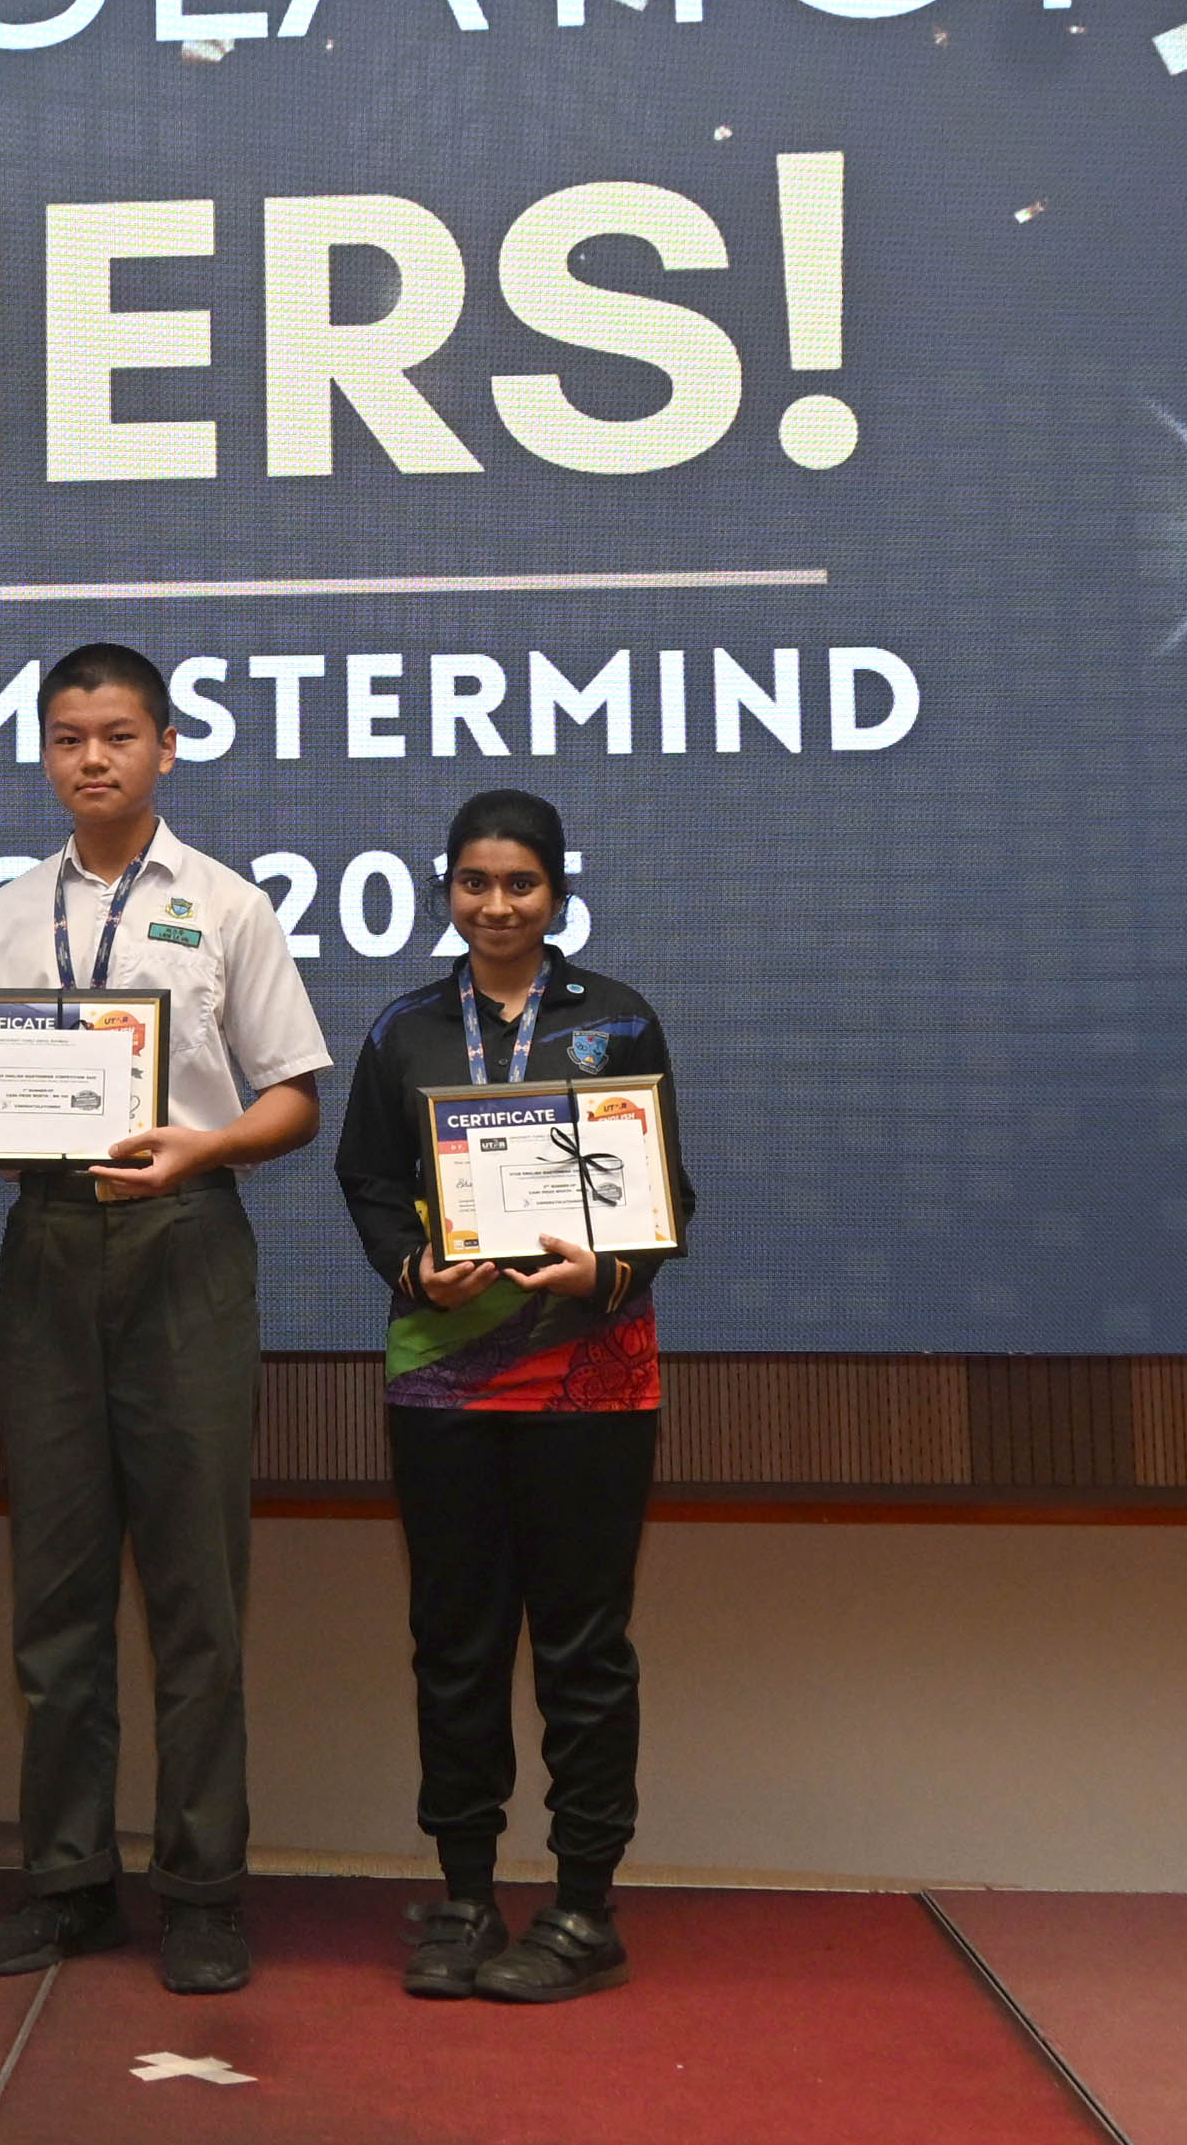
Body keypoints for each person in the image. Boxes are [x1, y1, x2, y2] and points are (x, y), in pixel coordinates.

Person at [0, 642, 332, 1996]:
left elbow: (293, 1094)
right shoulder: (2, 915)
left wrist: (201, 1149)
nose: (90, 758)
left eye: (116, 735)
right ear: (46, 756)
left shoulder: (226, 906)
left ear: (166, 748)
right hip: (48, 1244)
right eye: (66, 737)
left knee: (196, 1599)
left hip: (184, 1244)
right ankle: (65, 1884)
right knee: (54, 1595)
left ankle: (205, 1888)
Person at [331, 788, 695, 2005]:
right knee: (457, 1641)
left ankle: (586, 1909)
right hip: (445, 1376)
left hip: (594, 1375)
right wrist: (410, 1263)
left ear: (557, 893)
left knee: (584, 1645)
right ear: (447, 891)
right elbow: (371, 1182)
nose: (497, 906)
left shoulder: (619, 1020)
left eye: (520, 884)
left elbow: (669, 1198)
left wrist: (614, 1266)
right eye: (475, 884)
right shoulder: (403, 1031)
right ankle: (468, 1894)